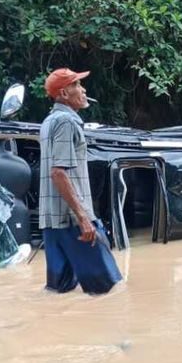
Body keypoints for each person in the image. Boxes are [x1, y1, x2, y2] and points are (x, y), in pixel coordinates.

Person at [39, 67, 122, 295]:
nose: (83, 89)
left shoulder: (48, 122)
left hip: (52, 223)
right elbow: (59, 172)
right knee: (111, 290)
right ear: (64, 94)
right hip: (74, 222)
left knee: (59, 292)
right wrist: (83, 217)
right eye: (77, 85)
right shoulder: (67, 122)